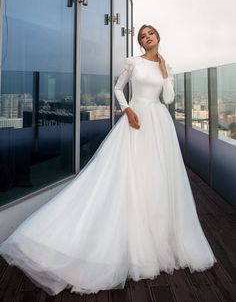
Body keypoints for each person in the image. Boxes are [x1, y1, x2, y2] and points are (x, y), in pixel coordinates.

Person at [0, 24, 217, 296]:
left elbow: (169, 99)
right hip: (136, 119)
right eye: (142, 36)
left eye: (150, 34)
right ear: (139, 43)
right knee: (129, 176)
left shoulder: (166, 65)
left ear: (158, 37)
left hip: (160, 125)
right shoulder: (133, 62)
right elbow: (118, 88)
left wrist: (165, 72)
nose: (146, 38)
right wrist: (127, 110)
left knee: (158, 179)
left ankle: (160, 239)